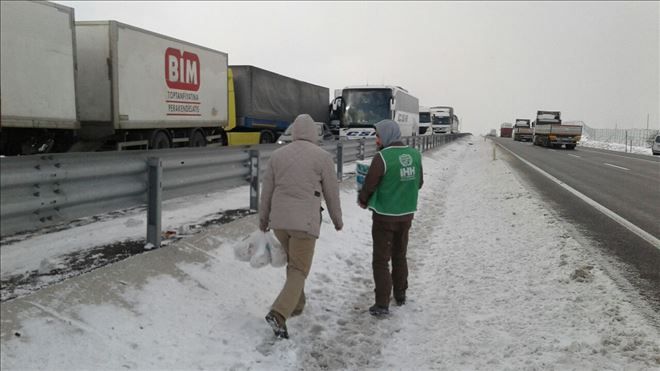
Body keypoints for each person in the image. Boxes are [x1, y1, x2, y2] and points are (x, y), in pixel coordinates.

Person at [259, 114, 343, 339]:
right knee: (299, 268)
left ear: (294, 131)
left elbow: (266, 191)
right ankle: (278, 313)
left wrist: (263, 219)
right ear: (314, 133)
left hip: (280, 222)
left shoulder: (277, 155)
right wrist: (337, 219)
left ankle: (296, 304)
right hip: (304, 222)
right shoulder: (322, 157)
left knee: (294, 264)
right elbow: (331, 193)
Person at [358, 119, 423, 316]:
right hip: (406, 215)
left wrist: (363, 200)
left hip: (384, 217)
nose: (376, 140)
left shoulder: (383, 158)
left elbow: (369, 185)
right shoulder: (415, 154)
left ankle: (382, 303)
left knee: (380, 260)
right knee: (400, 255)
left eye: (378, 136)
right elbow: (419, 183)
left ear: (386, 135)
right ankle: (401, 294)